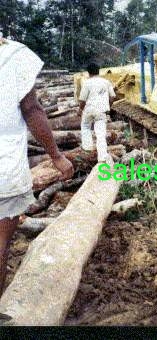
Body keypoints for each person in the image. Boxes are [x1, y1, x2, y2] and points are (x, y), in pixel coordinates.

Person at [0, 36, 74, 297]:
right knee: (0, 244)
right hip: (4, 167)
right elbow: (31, 109)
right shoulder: (13, 56)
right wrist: (56, 156)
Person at [78, 62, 116, 163]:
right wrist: (108, 106)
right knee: (101, 134)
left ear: (88, 72)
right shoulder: (106, 82)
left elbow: (82, 100)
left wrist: (80, 110)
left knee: (85, 126)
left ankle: (87, 147)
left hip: (89, 110)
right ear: (98, 71)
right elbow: (113, 96)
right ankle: (102, 157)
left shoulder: (87, 83)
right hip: (101, 111)